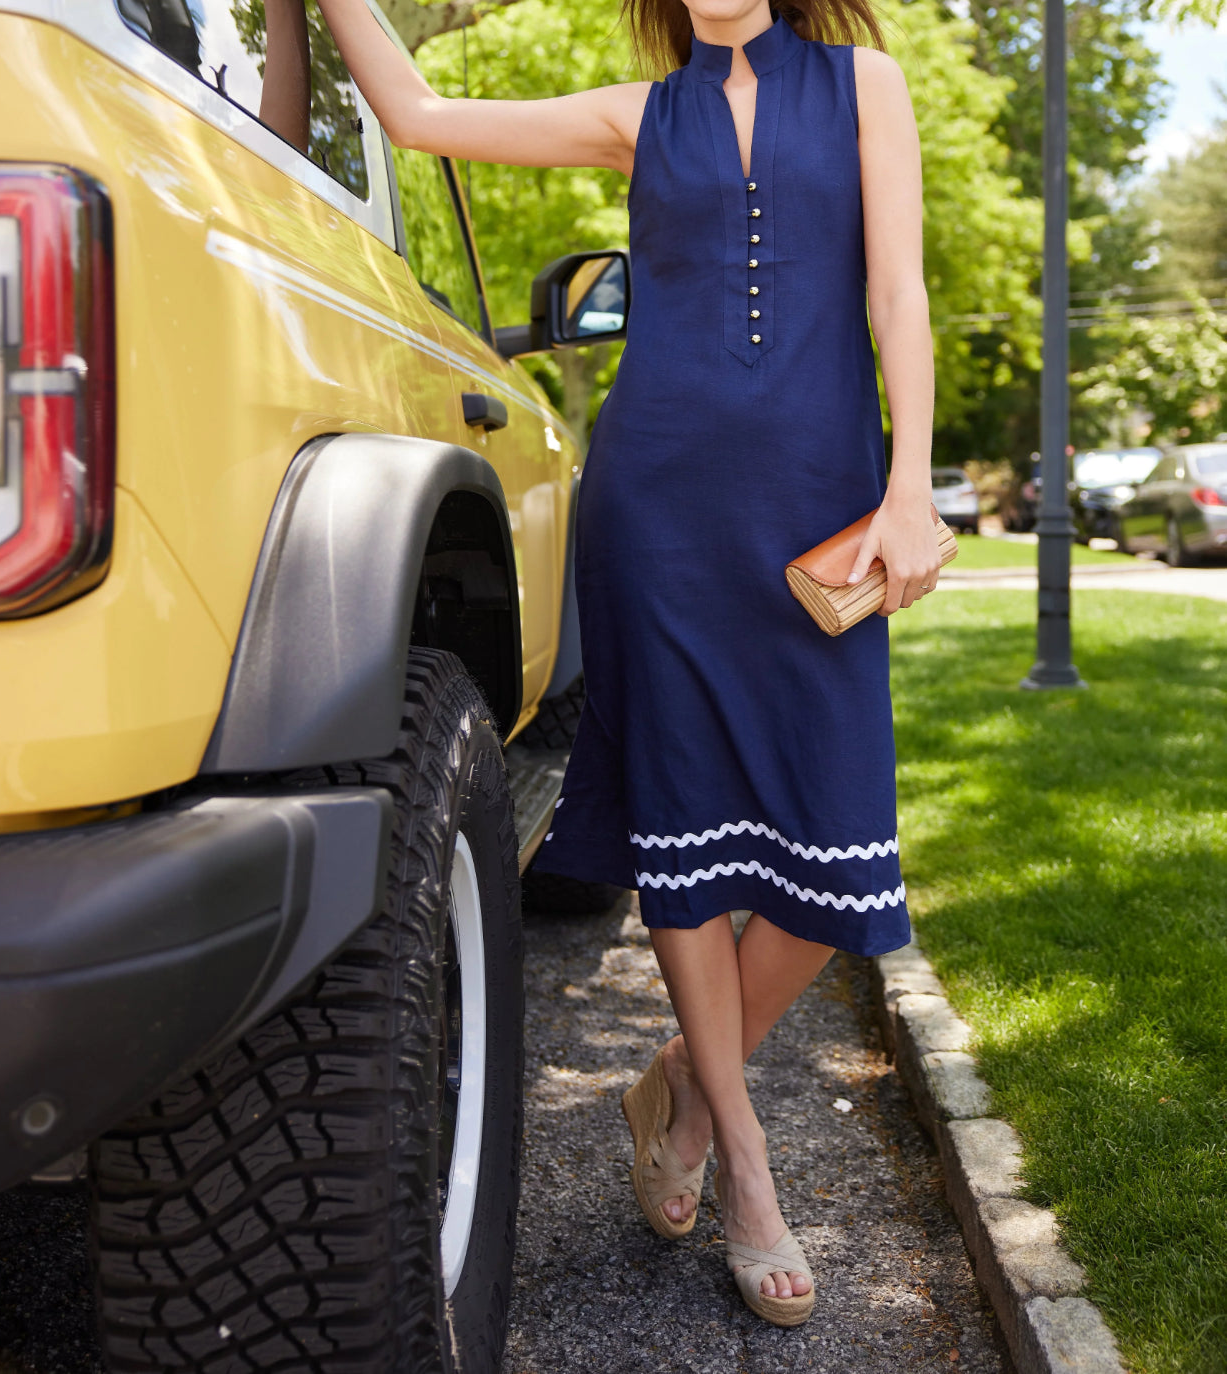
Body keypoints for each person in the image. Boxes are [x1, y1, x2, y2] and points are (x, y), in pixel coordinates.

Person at [312, 0, 939, 1328]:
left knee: (838, 864)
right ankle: (739, 1159)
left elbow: (897, 289)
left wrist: (913, 485)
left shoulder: (866, 85)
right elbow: (421, 118)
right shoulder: (636, 116)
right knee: (689, 840)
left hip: (818, 507)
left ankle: (674, 1078)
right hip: (655, 511)